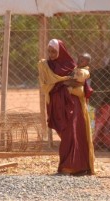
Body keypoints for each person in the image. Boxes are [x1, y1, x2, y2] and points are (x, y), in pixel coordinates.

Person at [37, 39, 94, 176]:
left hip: (72, 105)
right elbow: (45, 85)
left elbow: (79, 84)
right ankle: (76, 166)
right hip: (57, 105)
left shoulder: (71, 65)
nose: (51, 54)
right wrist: (63, 83)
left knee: (73, 133)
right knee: (66, 134)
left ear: (60, 51)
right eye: (49, 51)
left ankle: (71, 167)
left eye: (54, 51)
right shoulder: (46, 66)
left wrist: (65, 84)